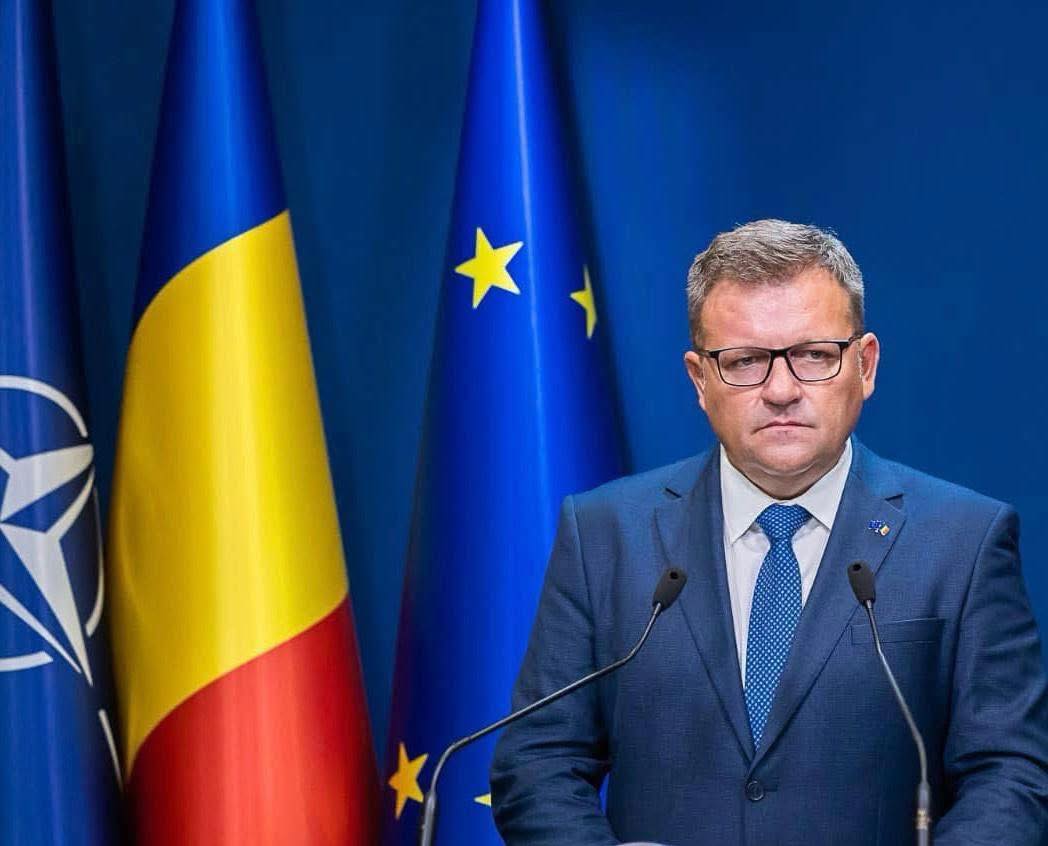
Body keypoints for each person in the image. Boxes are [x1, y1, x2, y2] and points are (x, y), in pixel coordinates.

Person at [490, 220, 1048, 845]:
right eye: (746, 361)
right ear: (700, 380)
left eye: (814, 355)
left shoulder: (964, 541)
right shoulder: (604, 534)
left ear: (864, 365)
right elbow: (537, 764)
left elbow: (1011, 775)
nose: (781, 390)